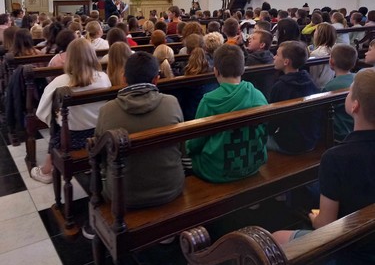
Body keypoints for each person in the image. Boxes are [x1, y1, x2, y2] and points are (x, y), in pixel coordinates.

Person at [272, 69, 375, 265]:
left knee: (274, 241)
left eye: (349, 92)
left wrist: (313, 217)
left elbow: (325, 226)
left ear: (354, 105)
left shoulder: (336, 158)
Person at [95, 52, 185, 207]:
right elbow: (181, 147)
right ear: (156, 79)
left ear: (124, 78)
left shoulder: (107, 110)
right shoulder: (172, 103)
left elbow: (101, 156)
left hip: (122, 193)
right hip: (170, 187)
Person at [31, 38, 111, 184]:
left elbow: (41, 112)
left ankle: (47, 170)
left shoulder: (60, 81)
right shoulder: (104, 78)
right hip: (98, 133)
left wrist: (55, 118)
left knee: (57, 126)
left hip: (70, 138)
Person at [186, 44, 268, 183]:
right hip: (253, 163)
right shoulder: (258, 95)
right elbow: (265, 130)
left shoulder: (209, 101)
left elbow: (196, 142)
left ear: (216, 71)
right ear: (242, 70)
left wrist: (188, 149)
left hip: (216, 170)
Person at [268, 41, 320, 154]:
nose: (274, 57)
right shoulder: (310, 81)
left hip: (290, 144)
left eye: (277, 54)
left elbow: (272, 121)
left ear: (286, 62)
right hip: (311, 140)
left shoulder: (280, 87)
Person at [323, 44, 357, 142]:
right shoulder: (359, 78)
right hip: (357, 128)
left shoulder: (330, 87)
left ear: (331, 61)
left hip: (340, 134)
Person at [308, 22, 336, 89]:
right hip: (331, 83)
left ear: (319, 35)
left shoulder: (316, 54)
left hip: (319, 88)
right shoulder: (334, 49)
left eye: (315, 31)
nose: (314, 33)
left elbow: (313, 76)